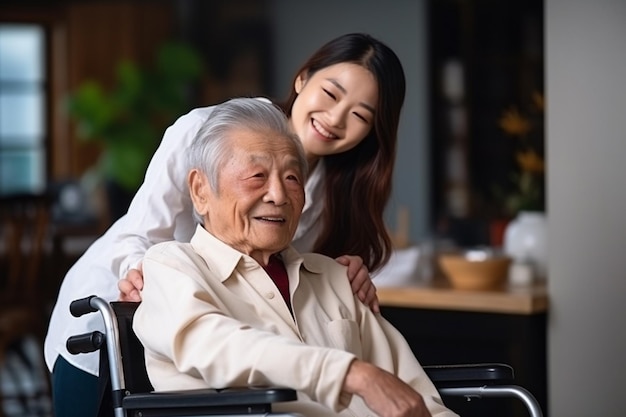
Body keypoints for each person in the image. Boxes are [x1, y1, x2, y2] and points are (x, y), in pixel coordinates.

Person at [44, 32, 406, 417]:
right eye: (331, 94)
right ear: (303, 79)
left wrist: (343, 272)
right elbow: (139, 234)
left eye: (360, 115)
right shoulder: (206, 130)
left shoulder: (339, 193)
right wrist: (146, 277)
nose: (335, 119)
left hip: (212, 354)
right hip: (115, 316)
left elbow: (294, 282)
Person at [134, 97, 456, 417]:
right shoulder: (171, 268)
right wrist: (351, 373)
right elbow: (218, 346)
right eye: (256, 175)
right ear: (201, 190)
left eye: (291, 178)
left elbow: (418, 398)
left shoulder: (334, 277)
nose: (278, 195)